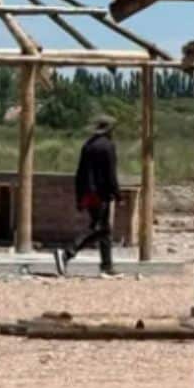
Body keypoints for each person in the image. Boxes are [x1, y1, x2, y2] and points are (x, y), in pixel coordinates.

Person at [53, 114, 121, 277]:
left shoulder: (87, 146)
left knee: (104, 229)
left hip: (87, 192)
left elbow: (80, 173)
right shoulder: (108, 146)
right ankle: (67, 253)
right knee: (98, 228)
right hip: (101, 193)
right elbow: (110, 174)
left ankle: (107, 266)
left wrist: (79, 196)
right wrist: (117, 194)